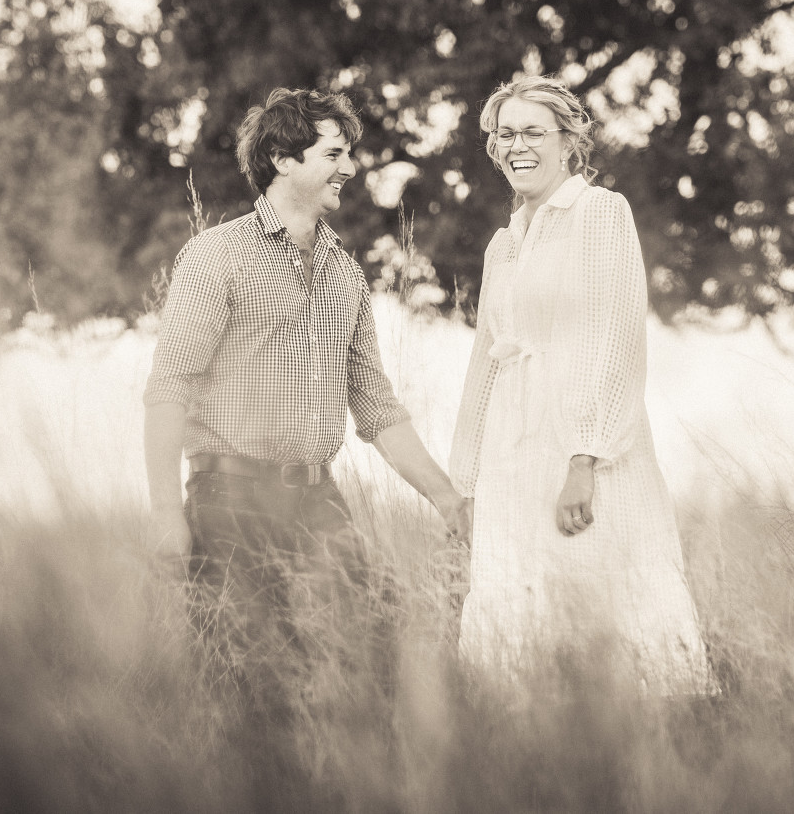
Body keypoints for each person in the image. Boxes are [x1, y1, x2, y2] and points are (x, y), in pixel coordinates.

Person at [144, 87, 473, 703]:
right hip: (229, 501)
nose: (349, 167)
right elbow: (169, 388)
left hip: (318, 501)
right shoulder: (216, 256)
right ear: (282, 158)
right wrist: (166, 513)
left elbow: (376, 406)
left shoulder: (346, 273)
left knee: (378, 665)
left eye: (348, 153)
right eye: (333, 153)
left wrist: (447, 498)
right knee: (246, 686)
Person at [449, 73, 713, 697]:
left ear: (568, 143)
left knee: (606, 595)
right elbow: (487, 360)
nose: (516, 145)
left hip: (584, 452)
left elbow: (613, 336)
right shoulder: (502, 244)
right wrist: (468, 479)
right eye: (505, 134)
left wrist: (583, 457)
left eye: (532, 132)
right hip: (511, 458)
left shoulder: (599, 212)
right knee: (516, 610)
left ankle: (638, 737)